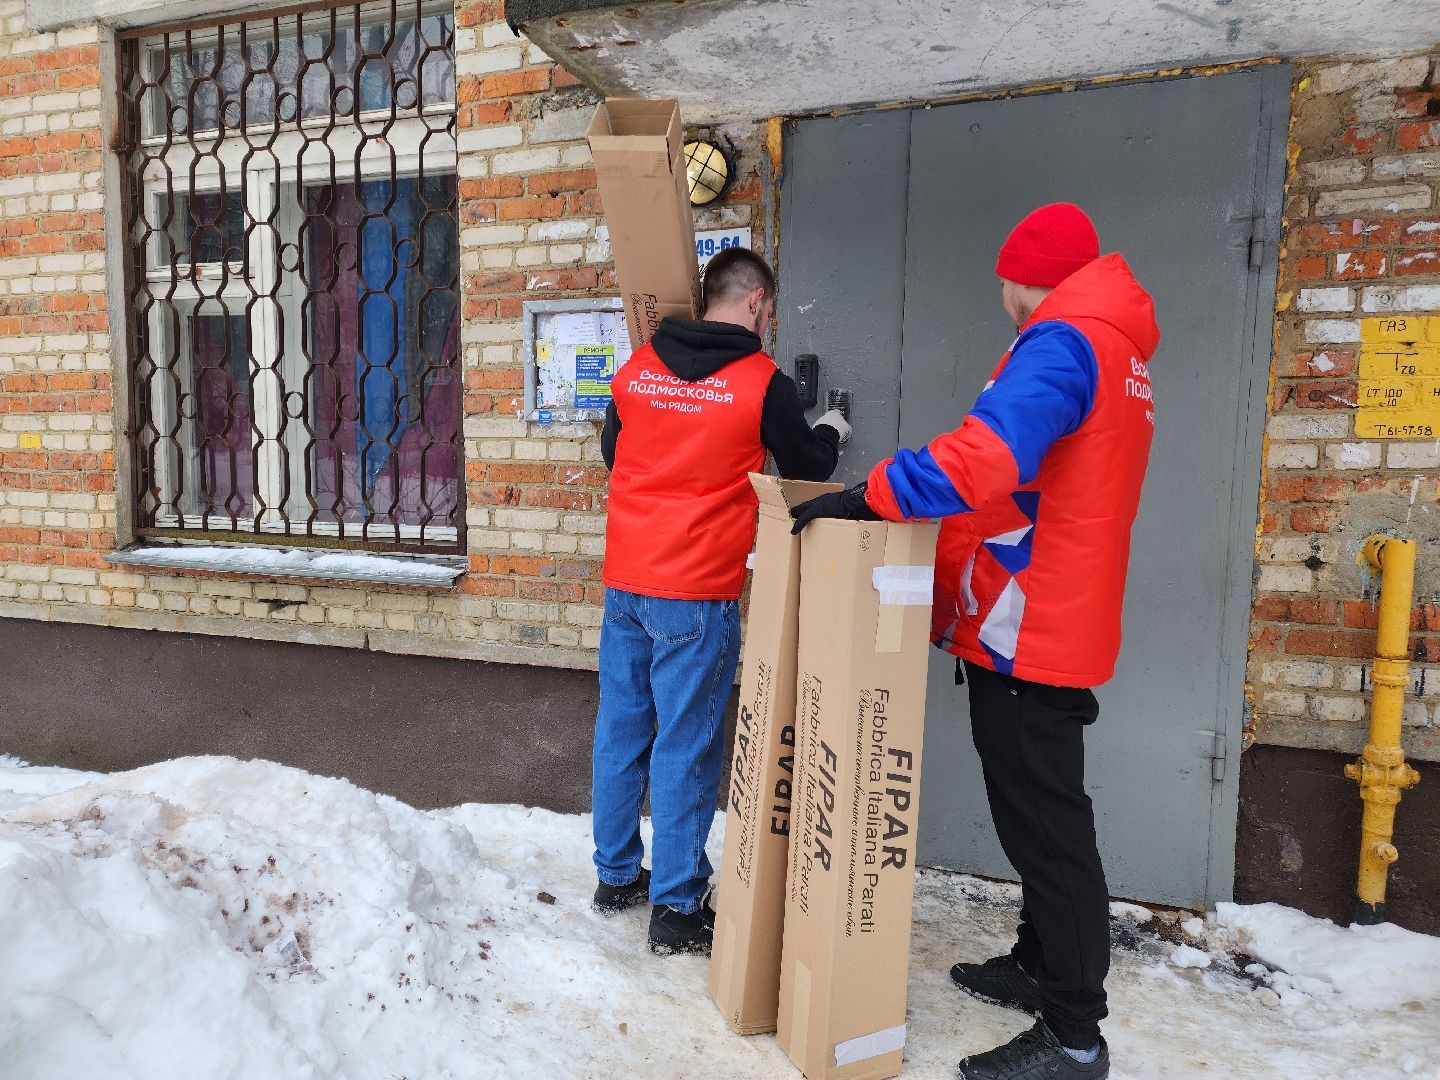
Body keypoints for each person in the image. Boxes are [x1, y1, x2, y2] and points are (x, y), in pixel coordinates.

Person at [790, 204, 1159, 1080]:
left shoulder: (1065, 342)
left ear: (1025, 274)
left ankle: (1075, 1036)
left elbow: (981, 460)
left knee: (1048, 830)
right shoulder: (1114, 346)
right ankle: (1038, 964)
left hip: (1032, 618)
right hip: (1047, 611)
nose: (1000, 298)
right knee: (1037, 815)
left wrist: (869, 496)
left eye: (1004, 280)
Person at [593, 246, 849, 955]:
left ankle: (616, 876)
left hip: (627, 584)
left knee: (621, 728)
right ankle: (676, 908)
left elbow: (618, 455)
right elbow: (808, 468)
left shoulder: (639, 369)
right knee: (685, 744)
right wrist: (828, 427)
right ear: (759, 305)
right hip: (696, 593)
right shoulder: (760, 382)